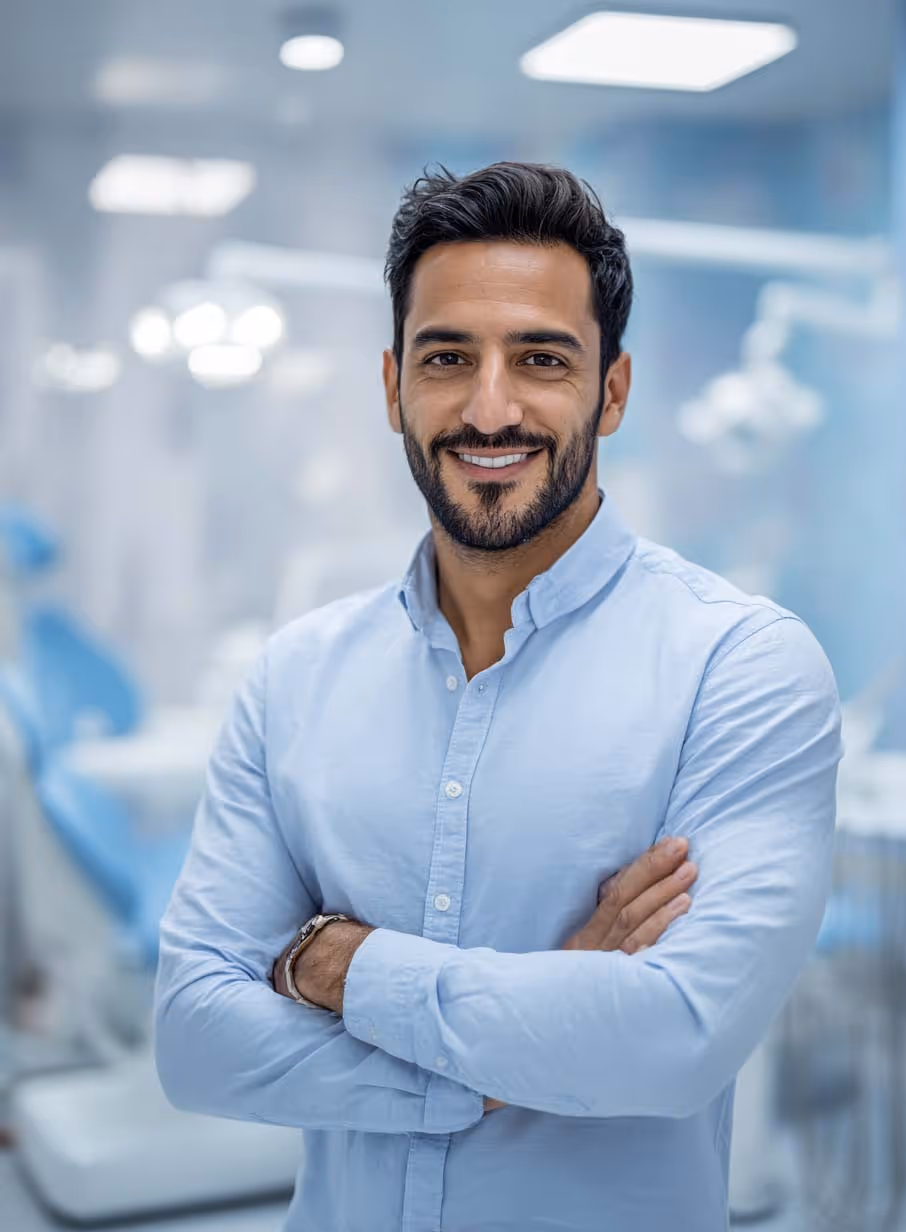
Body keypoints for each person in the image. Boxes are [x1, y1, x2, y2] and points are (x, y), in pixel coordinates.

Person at [154, 162, 843, 1232]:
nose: (488, 406)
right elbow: (194, 1039)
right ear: (392, 385)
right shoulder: (294, 677)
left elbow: (676, 1038)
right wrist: (525, 1030)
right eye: (446, 357)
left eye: (540, 357)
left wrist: (343, 964)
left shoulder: (740, 667)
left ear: (611, 389)